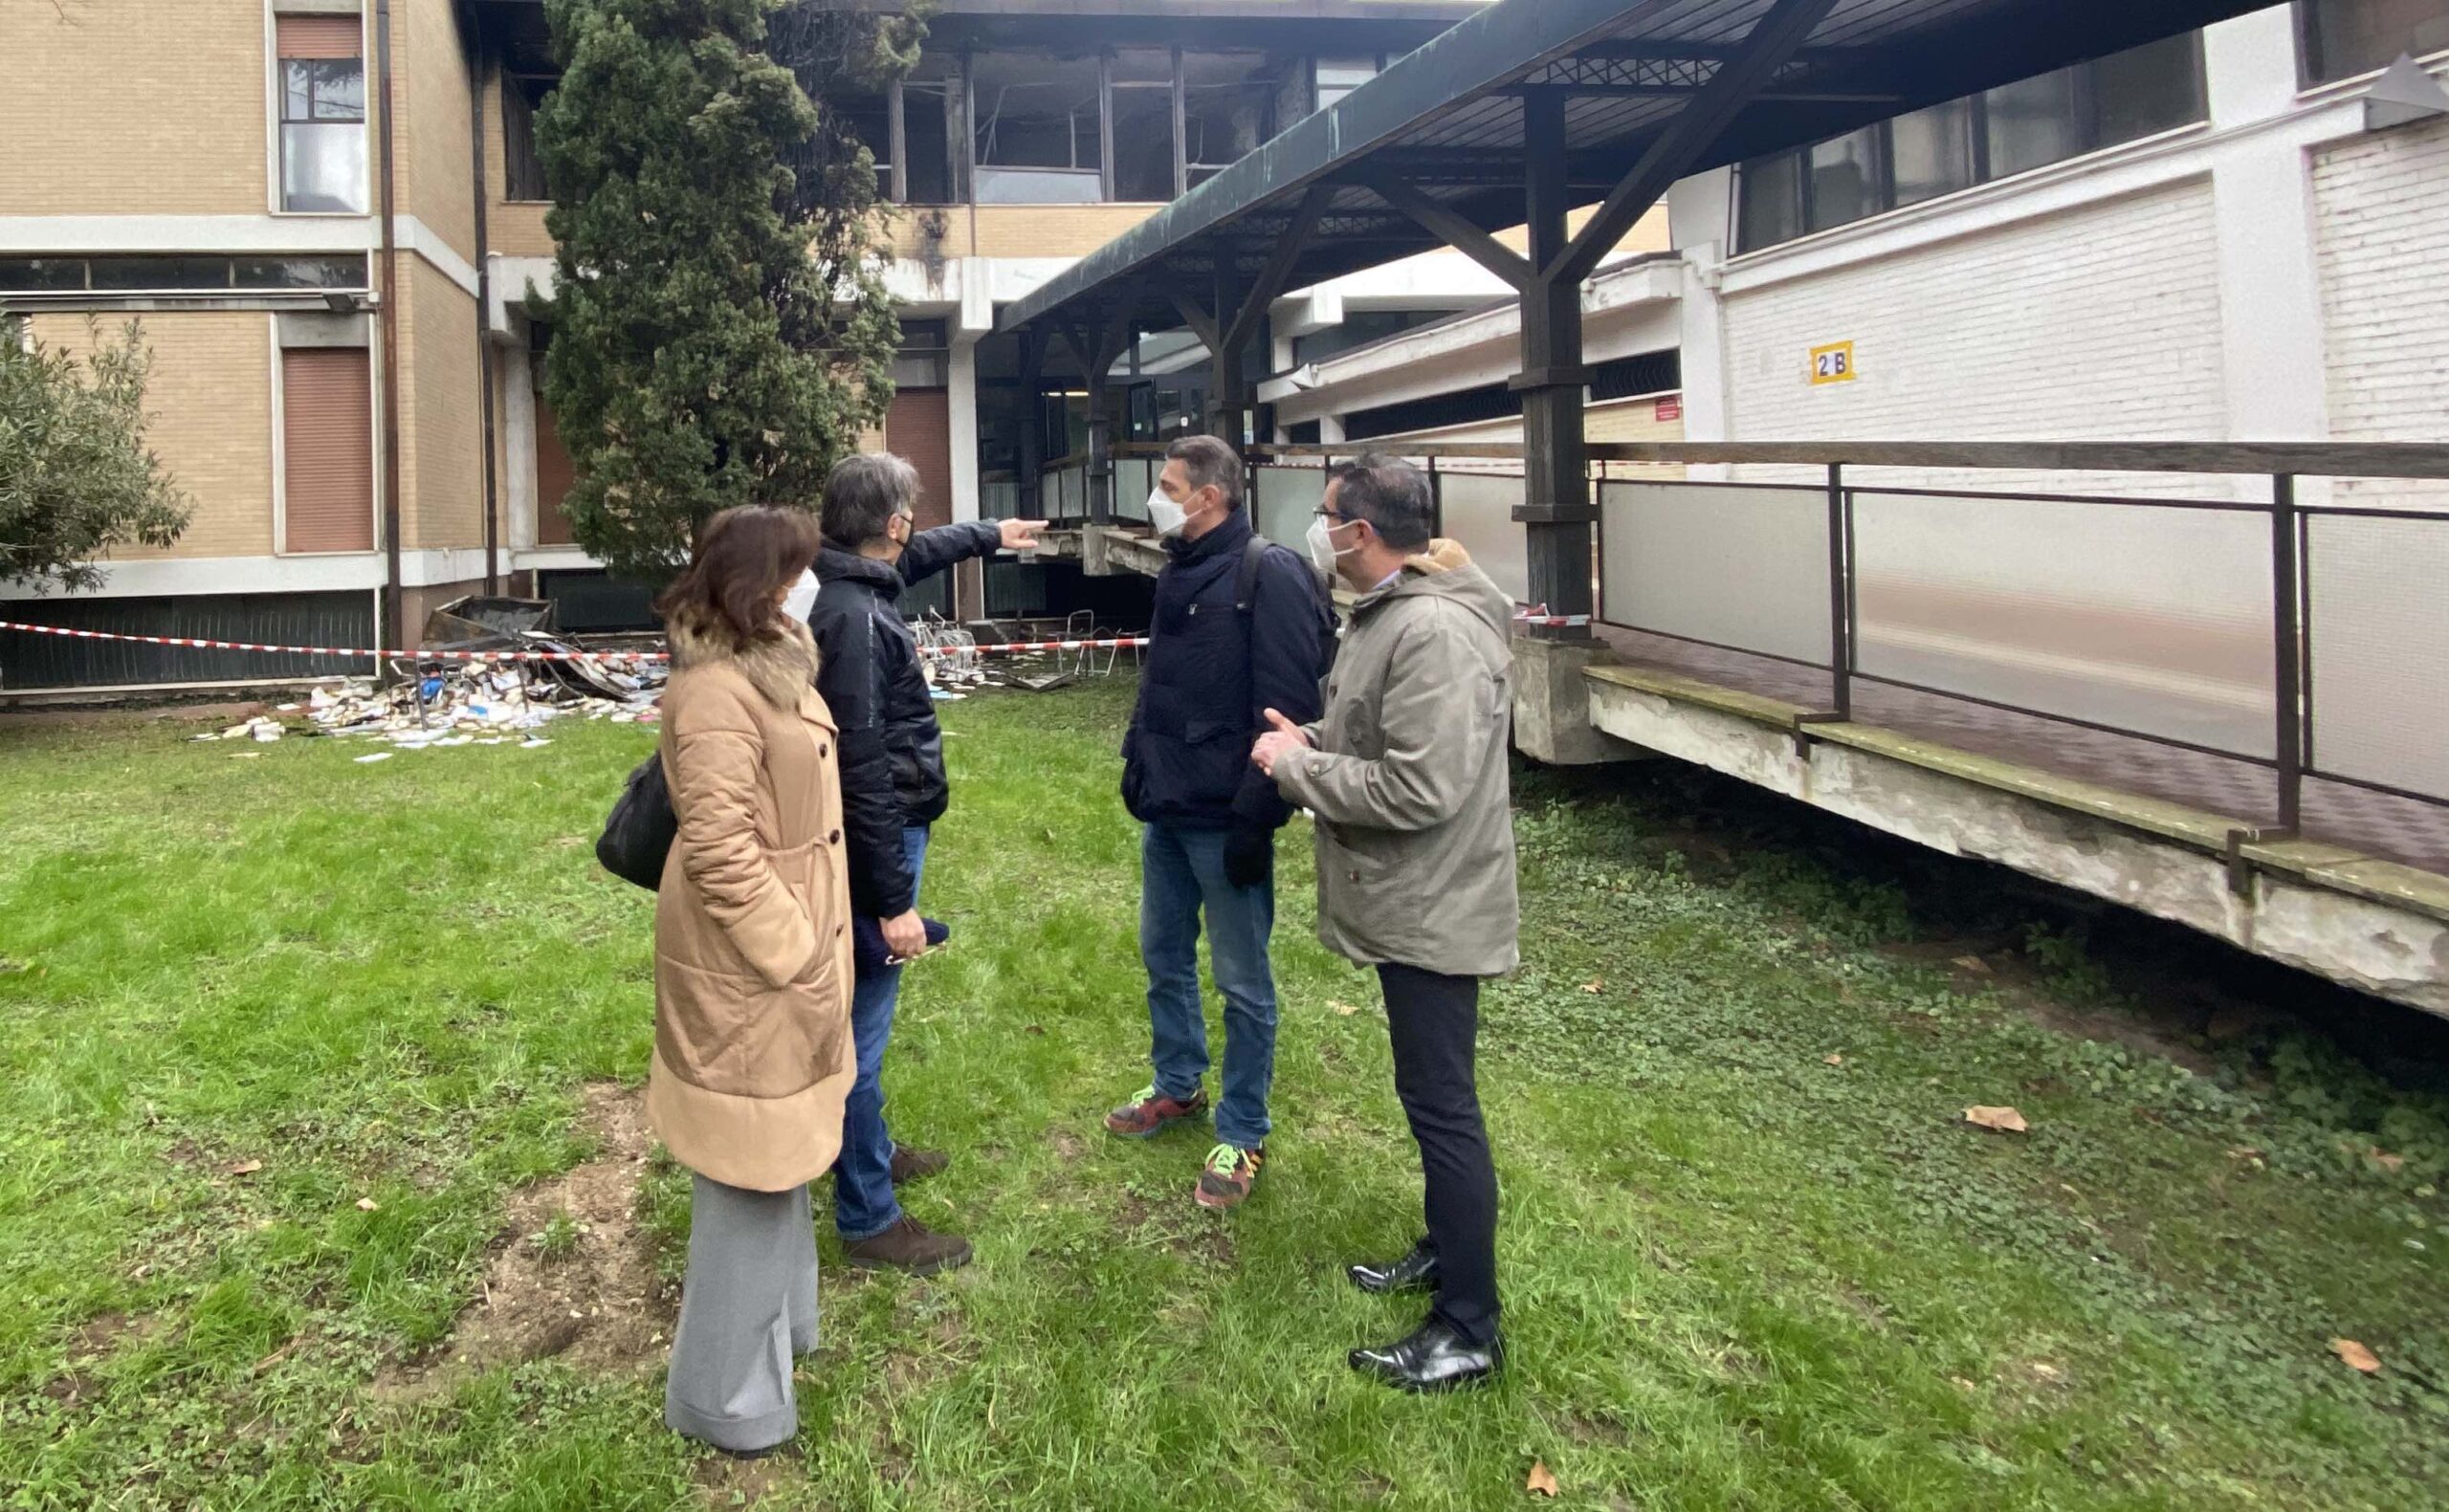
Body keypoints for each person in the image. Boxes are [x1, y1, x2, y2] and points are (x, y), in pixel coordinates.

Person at [1251, 454, 1517, 1391]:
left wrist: (1294, 768)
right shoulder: (1388, 615)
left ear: (1361, 533)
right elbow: (1383, 738)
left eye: (1327, 516)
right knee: (1426, 1096)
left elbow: (1421, 785)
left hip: (1435, 906)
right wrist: (1314, 742)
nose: (1317, 530)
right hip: (1413, 900)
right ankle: (1446, 1251)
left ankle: (1468, 1327)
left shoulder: (1433, 629)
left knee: (1445, 1111)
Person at [800, 452, 1045, 1272]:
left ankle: (867, 1150)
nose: (914, 532)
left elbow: (922, 553)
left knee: (859, 1026)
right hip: (881, 836)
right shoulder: (860, 622)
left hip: (880, 832)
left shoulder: (849, 585)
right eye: (910, 517)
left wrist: (987, 535)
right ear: (891, 525)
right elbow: (862, 765)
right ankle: (869, 1214)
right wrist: (894, 901)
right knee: (860, 1041)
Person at [648, 504, 851, 1456]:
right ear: (752, 584)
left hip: (790, 949)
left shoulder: (770, 664)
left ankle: (785, 1331)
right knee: (749, 1171)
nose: (806, 587)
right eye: (794, 572)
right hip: (752, 965)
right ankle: (727, 1398)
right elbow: (722, 846)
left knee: (782, 1158)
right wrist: (793, 946)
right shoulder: (714, 693)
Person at [1108, 434, 1328, 1209]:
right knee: (1161, 954)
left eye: (1169, 485)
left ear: (1210, 497)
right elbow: (1161, 687)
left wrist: (1253, 818)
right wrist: (1138, 767)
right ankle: (1178, 1084)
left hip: (1226, 820)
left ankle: (1245, 1127)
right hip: (1165, 810)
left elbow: (1290, 712)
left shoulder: (1268, 573)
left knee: (1242, 983)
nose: (1157, 496)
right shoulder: (1180, 569)